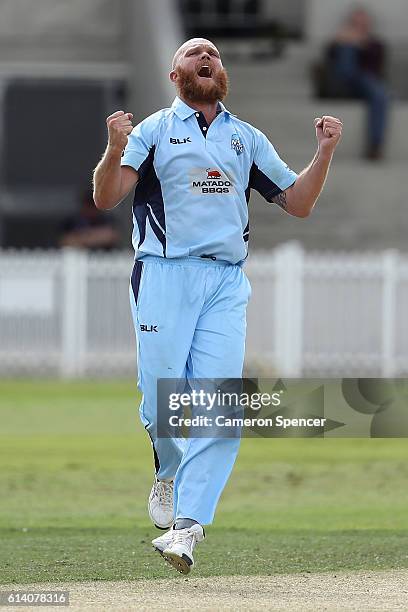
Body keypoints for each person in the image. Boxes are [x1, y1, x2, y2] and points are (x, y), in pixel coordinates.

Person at [93, 38, 342, 574]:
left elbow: (296, 202)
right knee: (162, 393)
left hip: (226, 281)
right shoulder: (154, 130)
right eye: (193, 53)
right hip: (163, 273)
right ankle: (167, 462)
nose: (206, 57)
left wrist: (322, 154)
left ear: (222, 71)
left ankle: (186, 528)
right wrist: (114, 146)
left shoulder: (245, 138)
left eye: (214, 54)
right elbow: (107, 196)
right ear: (174, 71)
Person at [327, 6, 389, 160]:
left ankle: (375, 146)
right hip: (341, 83)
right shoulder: (340, 43)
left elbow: (377, 64)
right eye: (355, 23)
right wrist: (341, 43)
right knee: (346, 50)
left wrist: (359, 43)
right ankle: (346, 78)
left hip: (365, 83)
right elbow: (328, 58)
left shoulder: (375, 44)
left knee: (380, 95)